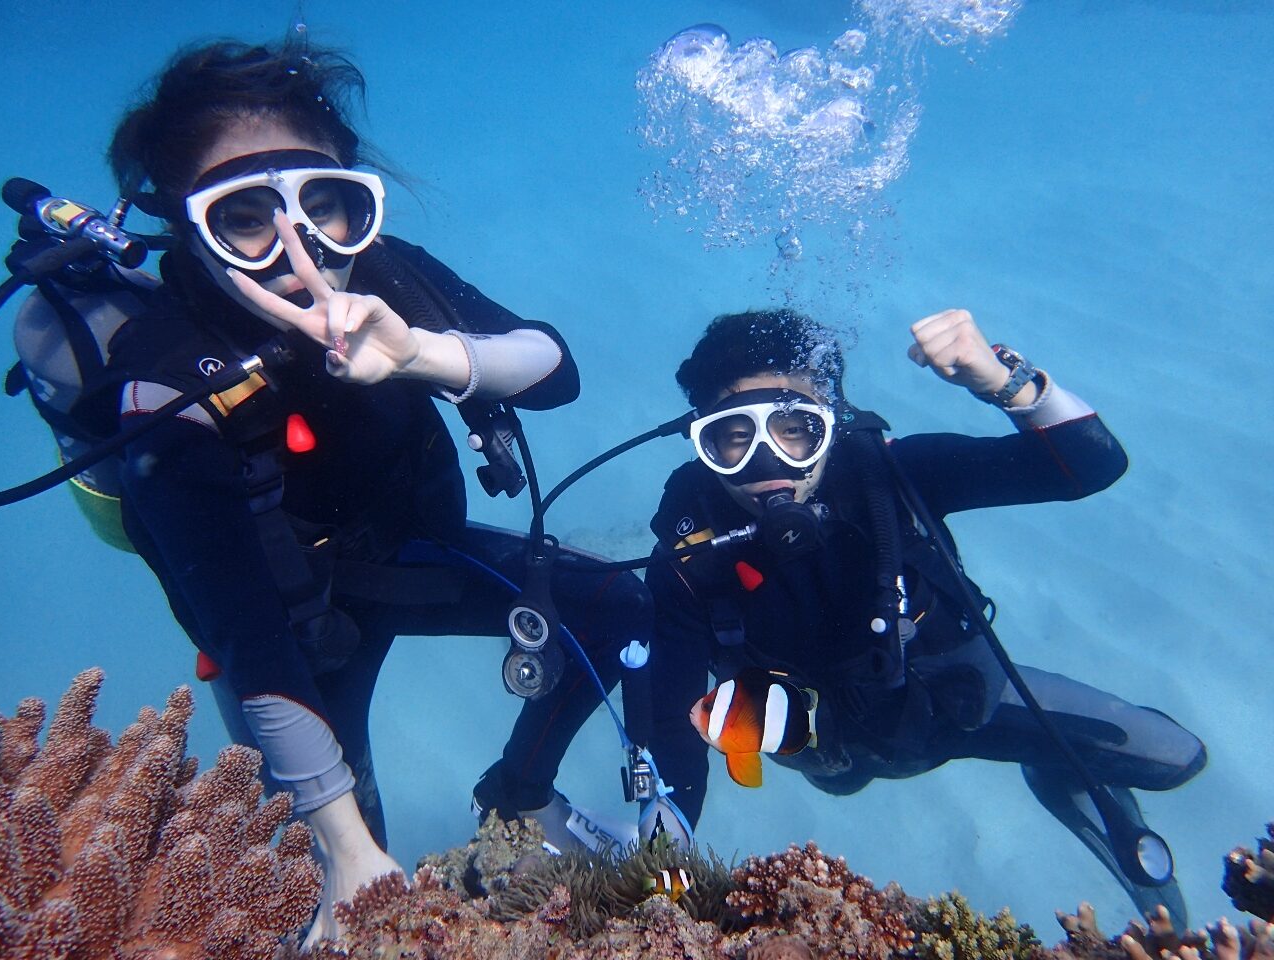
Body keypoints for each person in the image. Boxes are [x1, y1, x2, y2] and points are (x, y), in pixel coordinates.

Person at [104, 39, 645, 940]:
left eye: (327, 204)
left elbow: (554, 368)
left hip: (416, 550)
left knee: (622, 610)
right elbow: (246, 633)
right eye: (244, 215)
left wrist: (424, 353)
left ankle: (516, 799)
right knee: (358, 869)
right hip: (301, 630)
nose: (300, 245)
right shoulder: (164, 380)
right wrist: (344, 844)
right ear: (185, 227)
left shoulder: (390, 271)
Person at [638, 307, 1206, 924]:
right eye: (735, 438)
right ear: (703, 444)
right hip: (825, 752)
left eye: (794, 428)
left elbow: (1091, 466)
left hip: (963, 705)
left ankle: (1063, 781)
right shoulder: (687, 556)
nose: (768, 464)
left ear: (832, 421)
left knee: (1175, 757)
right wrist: (668, 834)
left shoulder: (897, 475)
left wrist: (1003, 382)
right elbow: (673, 707)